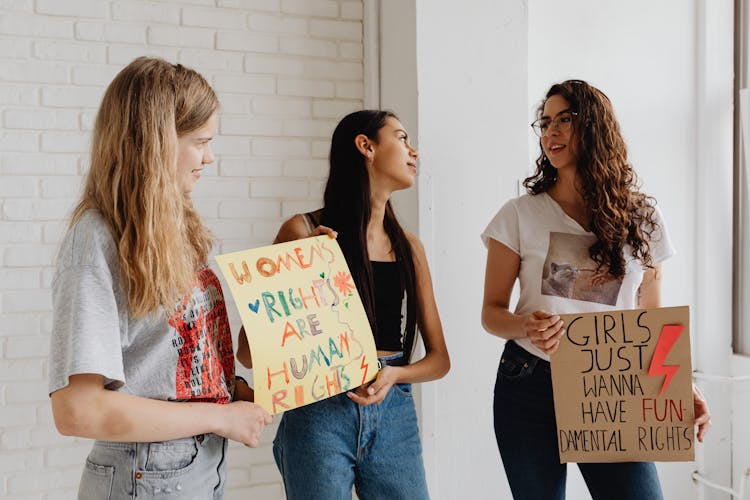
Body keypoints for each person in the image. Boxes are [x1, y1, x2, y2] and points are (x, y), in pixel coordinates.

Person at [48, 57, 272, 500]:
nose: (210, 157)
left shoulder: (171, 226)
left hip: (192, 466)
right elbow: (76, 410)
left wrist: (229, 395)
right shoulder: (96, 238)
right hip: (145, 475)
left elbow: (162, 366)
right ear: (157, 142)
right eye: (200, 142)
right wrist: (219, 418)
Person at [480, 79, 711, 500]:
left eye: (564, 120)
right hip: (530, 382)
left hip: (614, 384)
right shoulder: (518, 215)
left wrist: (680, 384)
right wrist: (524, 325)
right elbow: (492, 313)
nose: (550, 132)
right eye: (544, 122)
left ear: (595, 126)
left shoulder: (643, 216)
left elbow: (652, 318)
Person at [237, 109, 450, 500]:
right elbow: (248, 354)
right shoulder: (301, 232)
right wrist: (299, 273)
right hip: (319, 411)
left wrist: (394, 376)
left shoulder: (410, 248)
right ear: (366, 146)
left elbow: (440, 360)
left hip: (393, 411)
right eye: (402, 138)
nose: (414, 151)